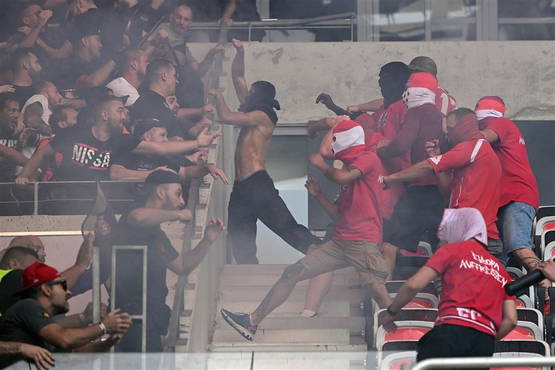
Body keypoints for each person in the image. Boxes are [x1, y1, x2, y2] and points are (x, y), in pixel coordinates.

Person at [220, 118, 391, 341]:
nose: (331, 148)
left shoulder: (367, 159)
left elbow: (341, 174)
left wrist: (321, 164)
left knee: (378, 291)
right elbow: (338, 215)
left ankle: (404, 333)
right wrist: (318, 195)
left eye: (336, 140)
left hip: (363, 242)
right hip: (340, 243)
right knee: (292, 273)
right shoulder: (350, 172)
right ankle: (252, 321)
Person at [209, 38, 320, 264]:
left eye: (251, 92)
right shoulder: (253, 109)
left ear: (258, 96)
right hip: (241, 187)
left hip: (257, 184)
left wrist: (218, 97)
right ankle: (247, 271)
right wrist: (240, 51)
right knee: (240, 236)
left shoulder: (263, 115)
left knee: (287, 228)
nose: (246, 94)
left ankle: (327, 255)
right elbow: (238, 77)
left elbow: (226, 117)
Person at [382, 208, 517, 366]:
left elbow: (413, 285)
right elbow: (511, 319)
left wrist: (392, 312)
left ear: (460, 227)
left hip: (451, 331)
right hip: (483, 343)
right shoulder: (499, 269)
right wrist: (486, 338)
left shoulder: (452, 251)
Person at [111, 170, 224, 351]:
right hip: (131, 316)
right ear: (160, 192)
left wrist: (207, 240)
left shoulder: (157, 234)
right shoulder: (133, 213)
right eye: (178, 194)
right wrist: (180, 215)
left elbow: (181, 266)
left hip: (152, 317)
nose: (181, 202)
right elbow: (137, 217)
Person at [382, 108, 503, 257]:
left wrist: (390, 178)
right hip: (469, 232)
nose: (447, 134)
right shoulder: (473, 155)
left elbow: (427, 166)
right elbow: (447, 195)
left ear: (463, 126)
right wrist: (437, 159)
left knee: (445, 275)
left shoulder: (474, 146)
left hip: (471, 235)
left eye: (451, 129)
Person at [16, 95, 217, 184]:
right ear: (105, 115)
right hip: (63, 198)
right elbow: (43, 152)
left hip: (94, 203)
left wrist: (197, 144)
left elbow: (159, 149)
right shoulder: (74, 133)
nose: (124, 115)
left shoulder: (120, 140)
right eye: (120, 110)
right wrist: (24, 175)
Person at [0, 262, 132, 368]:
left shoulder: (43, 327)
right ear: (46, 289)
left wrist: (109, 343)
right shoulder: (28, 306)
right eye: (63, 285)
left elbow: (75, 355)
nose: (68, 292)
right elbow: (64, 339)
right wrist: (103, 327)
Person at [376, 72, 446, 255]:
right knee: (436, 234)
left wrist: (381, 150)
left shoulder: (416, 112)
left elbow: (401, 144)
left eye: (407, 89)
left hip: (420, 184)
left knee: (393, 238)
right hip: (440, 184)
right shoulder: (437, 115)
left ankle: (387, 279)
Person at [475, 96, 541, 269]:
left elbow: (481, 137)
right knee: (495, 263)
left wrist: (453, 132)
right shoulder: (504, 124)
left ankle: (547, 287)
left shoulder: (500, 123)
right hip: (502, 201)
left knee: (519, 247)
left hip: (515, 197)